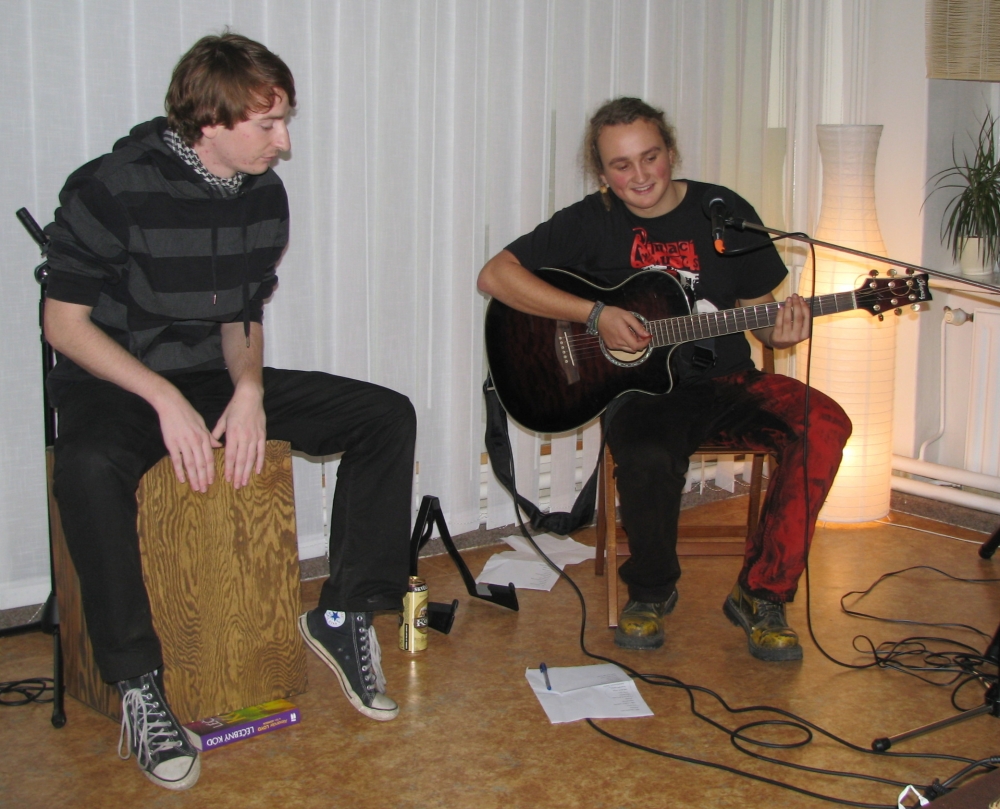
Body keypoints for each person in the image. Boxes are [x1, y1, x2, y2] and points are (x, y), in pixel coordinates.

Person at [43, 33, 415, 791]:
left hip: (210, 376)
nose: (284, 143)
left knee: (385, 415)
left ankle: (343, 616)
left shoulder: (261, 195)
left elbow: (241, 316)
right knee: (85, 467)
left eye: (285, 122)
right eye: (267, 124)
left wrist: (248, 390)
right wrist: (162, 396)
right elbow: (64, 325)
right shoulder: (109, 187)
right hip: (115, 383)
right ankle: (138, 684)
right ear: (209, 121)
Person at [478, 97, 851, 661]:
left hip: (728, 383)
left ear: (670, 152)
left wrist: (783, 332)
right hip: (641, 395)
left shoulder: (722, 212)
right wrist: (595, 315)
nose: (639, 175)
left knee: (822, 423)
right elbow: (496, 276)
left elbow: (762, 318)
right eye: (620, 165)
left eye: (649, 157)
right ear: (602, 173)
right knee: (647, 452)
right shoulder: (592, 220)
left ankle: (762, 594)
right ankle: (650, 592)